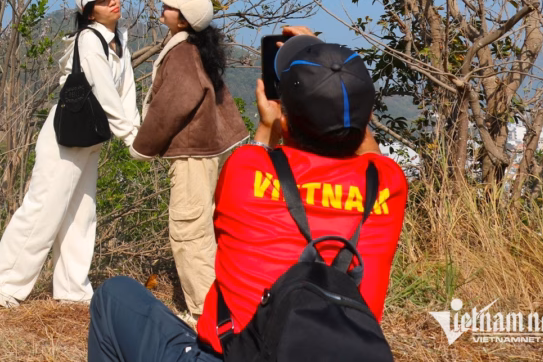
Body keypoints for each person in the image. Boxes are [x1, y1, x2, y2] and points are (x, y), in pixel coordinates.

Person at [88, 26, 408, 362]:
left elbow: (261, 151)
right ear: (367, 116)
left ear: (283, 116)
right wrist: (332, 69)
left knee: (114, 297)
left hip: (237, 355)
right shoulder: (387, 185)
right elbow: (367, 149)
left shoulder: (246, 169)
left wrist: (270, 123)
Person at [0, 0, 140, 308]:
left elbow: (126, 93)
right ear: (90, 11)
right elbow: (104, 91)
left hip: (91, 137)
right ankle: (1, 282)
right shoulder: (88, 39)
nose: (113, 1)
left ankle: (73, 289)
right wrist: (131, 137)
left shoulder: (119, 38)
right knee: (44, 207)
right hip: (65, 136)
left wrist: (136, 131)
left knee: (82, 213)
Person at [129, 0, 248, 322]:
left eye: (169, 7)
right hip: (210, 151)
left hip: (194, 155)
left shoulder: (181, 52)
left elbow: (173, 104)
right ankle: (218, 309)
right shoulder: (196, 46)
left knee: (189, 230)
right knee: (205, 227)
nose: (162, 9)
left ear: (182, 21)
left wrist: (143, 146)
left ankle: (206, 317)